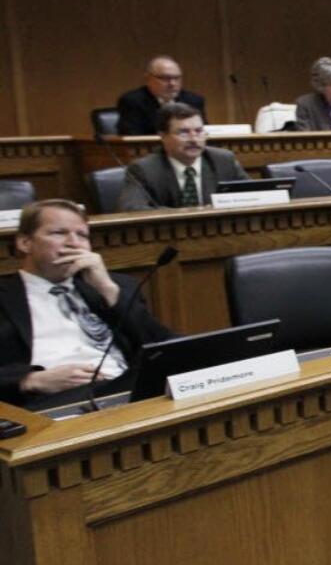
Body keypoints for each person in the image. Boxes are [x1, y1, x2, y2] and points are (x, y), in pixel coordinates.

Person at [0, 200, 173, 409]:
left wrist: (109, 291)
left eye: (82, 235)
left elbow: (164, 346)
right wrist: (31, 380)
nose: (74, 243)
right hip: (52, 402)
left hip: (125, 389)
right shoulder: (6, 296)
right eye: (58, 233)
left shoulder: (113, 287)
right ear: (24, 243)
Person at [118, 104, 248, 210]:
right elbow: (133, 208)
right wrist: (185, 214)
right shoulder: (144, 169)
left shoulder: (223, 160)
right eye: (183, 132)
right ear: (163, 136)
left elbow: (254, 195)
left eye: (199, 131)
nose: (193, 139)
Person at [116, 55, 206, 136]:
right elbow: (131, 135)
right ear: (148, 79)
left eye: (177, 78)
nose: (172, 83)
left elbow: (203, 130)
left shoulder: (193, 100)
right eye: (165, 78)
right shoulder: (132, 101)